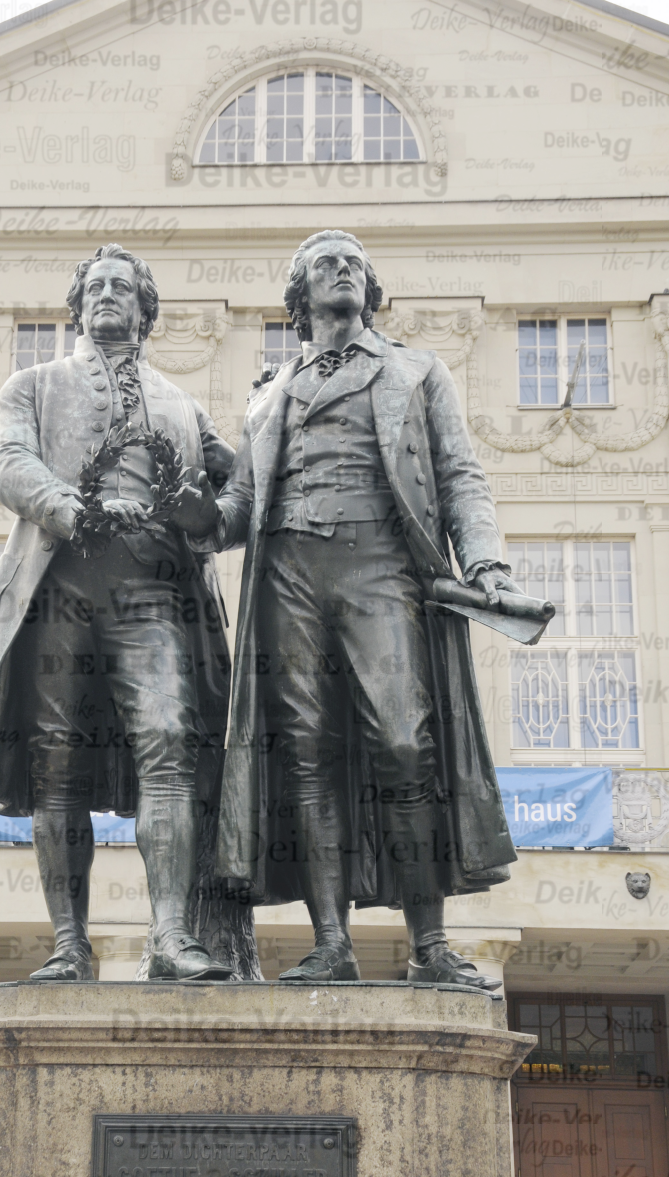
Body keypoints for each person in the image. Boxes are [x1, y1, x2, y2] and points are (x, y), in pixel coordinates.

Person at [180, 229, 520, 986]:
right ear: (300, 296)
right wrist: (197, 514)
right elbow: (240, 508)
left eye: (353, 264)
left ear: (372, 289)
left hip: (382, 570)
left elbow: (461, 475)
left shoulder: (416, 370)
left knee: (406, 743)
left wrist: (487, 560)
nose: (342, 270)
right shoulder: (269, 392)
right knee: (308, 756)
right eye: (324, 264)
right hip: (289, 579)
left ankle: (429, 945)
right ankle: (330, 941)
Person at [0, 244, 236, 982]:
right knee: (56, 764)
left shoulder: (183, 405)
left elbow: (242, 488)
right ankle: (69, 942)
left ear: (144, 310)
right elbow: (8, 462)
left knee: (167, 743)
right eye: (95, 286)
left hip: (151, 595)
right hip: (59, 589)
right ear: (78, 304)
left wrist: (207, 511)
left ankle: (170, 935)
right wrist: (68, 505)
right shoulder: (32, 385)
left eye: (122, 287)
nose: (107, 295)